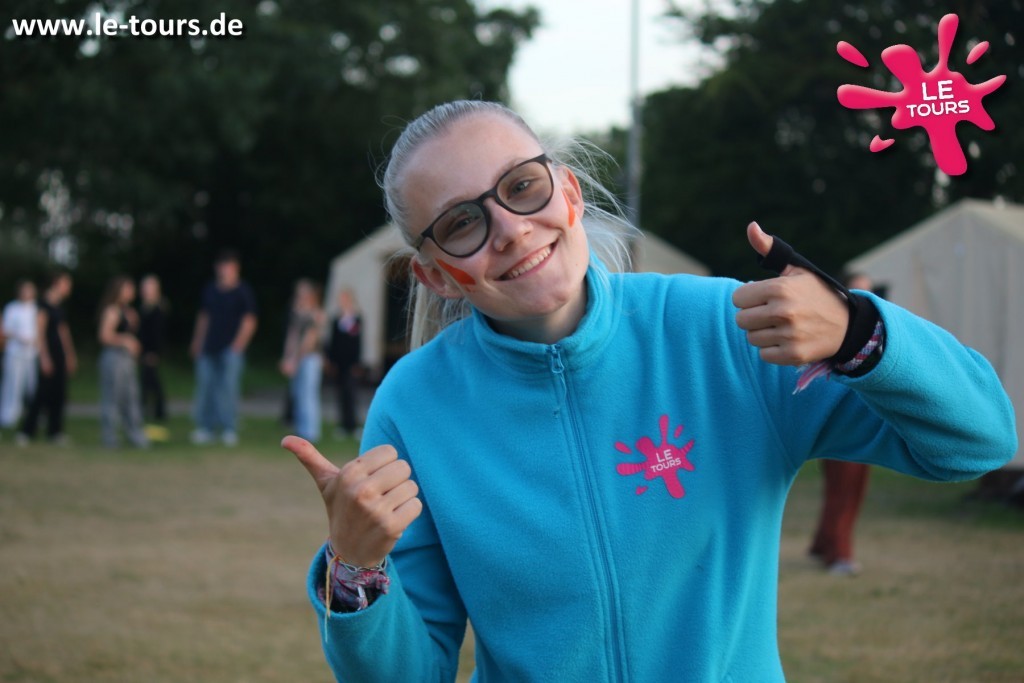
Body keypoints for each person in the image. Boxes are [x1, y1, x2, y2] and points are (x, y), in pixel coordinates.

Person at [282, 101, 1017, 682]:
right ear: (436, 274)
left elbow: (978, 440)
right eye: (461, 223)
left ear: (569, 193)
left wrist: (859, 331)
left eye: (521, 186)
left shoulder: (727, 332)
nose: (509, 228)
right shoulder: (414, 405)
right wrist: (356, 572)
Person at [808, 273, 877, 576]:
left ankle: (824, 543)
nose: (865, 297)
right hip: (840, 421)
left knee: (853, 489)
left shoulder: (875, 330)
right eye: (858, 291)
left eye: (869, 292)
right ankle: (839, 553)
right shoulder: (833, 330)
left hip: (862, 417)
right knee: (843, 490)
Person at [189, 249, 258, 446]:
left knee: (228, 389)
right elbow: (204, 317)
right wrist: (197, 341)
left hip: (230, 350)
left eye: (228, 266)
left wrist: (238, 344)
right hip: (208, 348)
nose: (224, 270)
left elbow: (250, 320)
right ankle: (206, 428)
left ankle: (229, 428)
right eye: (221, 266)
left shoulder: (243, 291)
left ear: (236, 268)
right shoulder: (211, 289)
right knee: (206, 387)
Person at [19, 271, 77, 445]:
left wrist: (69, 354)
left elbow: (63, 333)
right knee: (41, 393)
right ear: (57, 284)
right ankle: (26, 431)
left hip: (59, 354)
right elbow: (40, 332)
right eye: (66, 284)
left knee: (59, 393)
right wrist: (44, 357)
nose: (69, 288)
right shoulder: (44, 305)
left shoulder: (59, 307)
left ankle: (55, 431)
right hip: (48, 354)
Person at [97, 276, 148, 449]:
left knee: (131, 396)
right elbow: (104, 336)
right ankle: (110, 437)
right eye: (128, 288)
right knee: (112, 398)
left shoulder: (129, 311)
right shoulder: (112, 311)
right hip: (113, 358)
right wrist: (125, 340)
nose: (131, 292)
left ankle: (135, 434)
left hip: (127, 360)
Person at [280, 279, 324, 443]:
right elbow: (291, 337)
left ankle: (311, 432)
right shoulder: (296, 313)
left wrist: (295, 360)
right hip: (297, 358)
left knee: (308, 394)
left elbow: (309, 341)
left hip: (310, 359)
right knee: (297, 393)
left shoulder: (316, 314)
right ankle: (300, 429)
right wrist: (287, 358)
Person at [1, 280, 39, 434]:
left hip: (31, 354)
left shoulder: (35, 309)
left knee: (32, 386)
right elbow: (6, 330)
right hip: (15, 352)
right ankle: (8, 417)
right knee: (12, 385)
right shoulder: (12, 308)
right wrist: (20, 338)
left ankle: (31, 417)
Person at [325, 288, 363, 439]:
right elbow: (333, 342)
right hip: (338, 363)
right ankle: (343, 425)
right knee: (340, 393)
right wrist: (331, 360)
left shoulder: (356, 319)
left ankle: (353, 424)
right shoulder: (337, 320)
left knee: (351, 393)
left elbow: (358, 342)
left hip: (351, 363)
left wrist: (357, 363)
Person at [138, 274, 168, 425]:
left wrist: (153, 352)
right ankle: (153, 411)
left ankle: (158, 411)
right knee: (148, 381)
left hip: (151, 351)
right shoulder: (144, 307)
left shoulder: (157, 308)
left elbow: (157, 334)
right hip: (144, 350)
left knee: (150, 382)